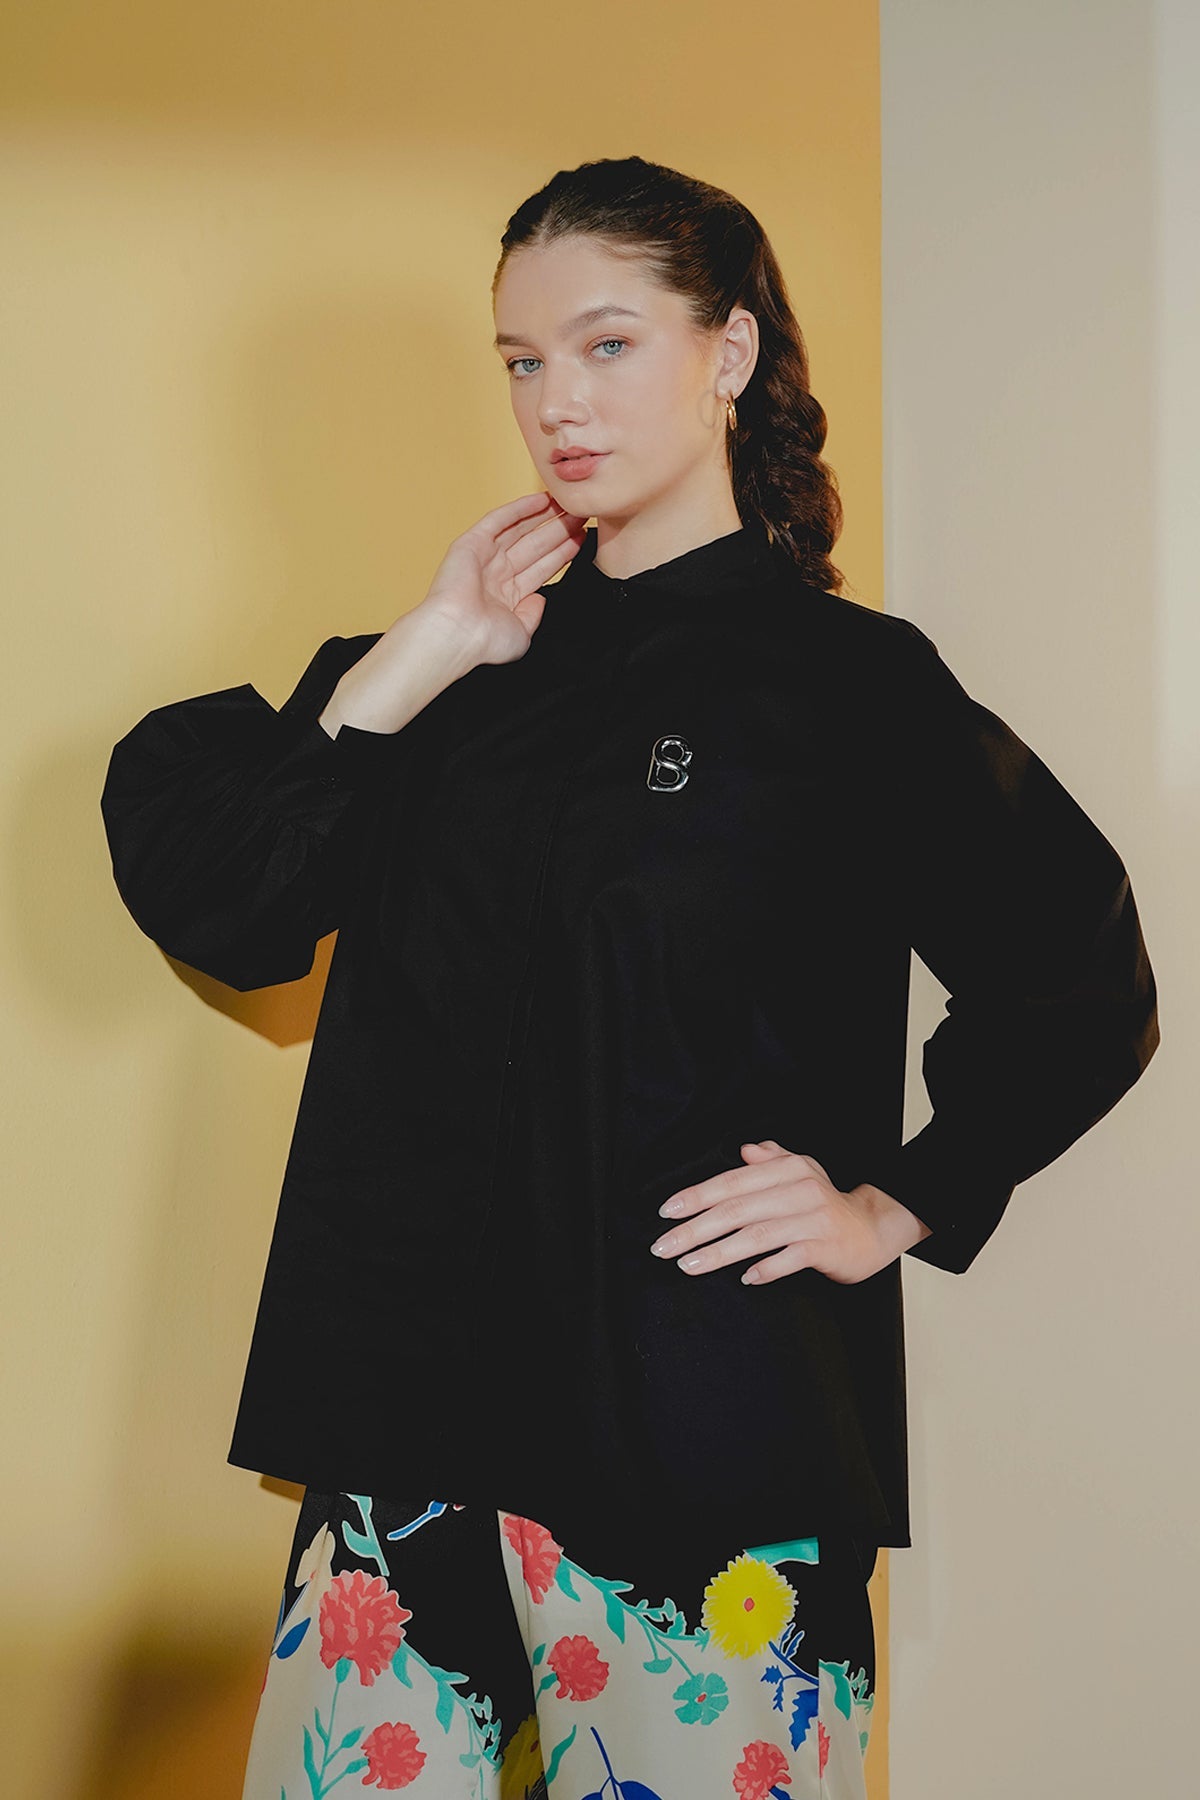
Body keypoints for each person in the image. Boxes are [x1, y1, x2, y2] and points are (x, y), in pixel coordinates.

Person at [100, 156, 1160, 1800]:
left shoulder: (851, 690)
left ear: (727, 352)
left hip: (700, 1445)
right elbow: (227, 907)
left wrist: (899, 1199)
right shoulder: (443, 672)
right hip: (405, 1450)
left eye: (605, 346)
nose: (557, 403)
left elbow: (1079, 970)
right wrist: (425, 648)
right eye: (522, 361)